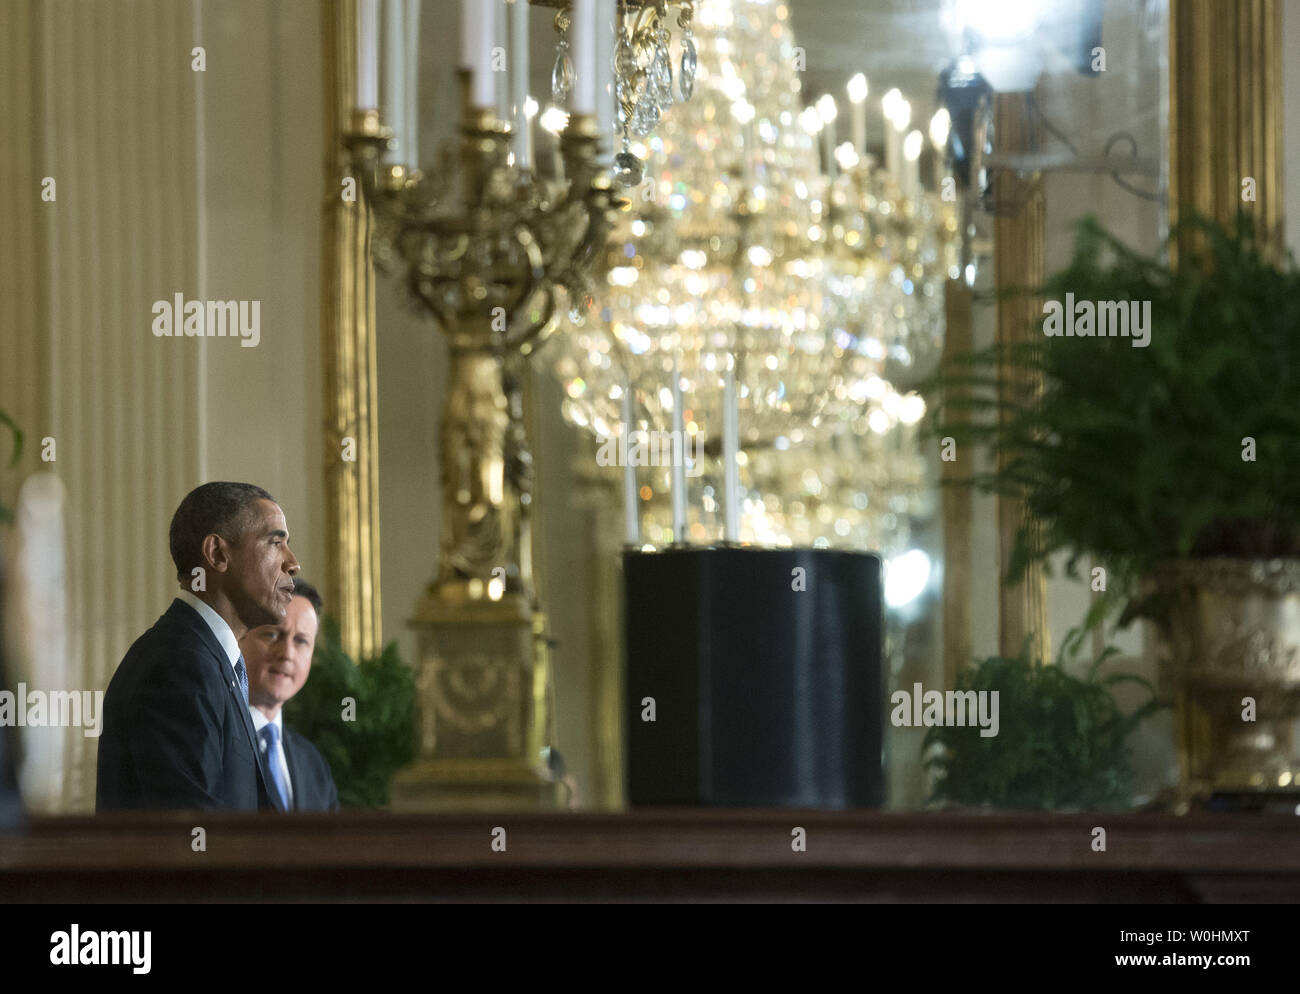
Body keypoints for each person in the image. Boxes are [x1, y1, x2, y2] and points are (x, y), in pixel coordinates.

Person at [96, 482, 299, 811]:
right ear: (218, 554)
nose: (293, 563)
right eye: (276, 543)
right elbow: (194, 838)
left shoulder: (210, 659)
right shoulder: (178, 665)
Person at [239, 577, 338, 812]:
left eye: (301, 641)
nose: (287, 654)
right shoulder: (213, 743)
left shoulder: (313, 763)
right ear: (240, 638)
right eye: (273, 635)